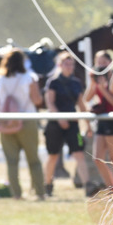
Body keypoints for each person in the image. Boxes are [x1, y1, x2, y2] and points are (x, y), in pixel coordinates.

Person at [0, 49, 45, 200]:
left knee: (11, 161)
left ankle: (16, 194)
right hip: (27, 120)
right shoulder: (29, 78)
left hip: (6, 123)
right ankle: (40, 192)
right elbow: (37, 100)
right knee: (33, 159)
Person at [43, 51, 92, 196]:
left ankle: (87, 185)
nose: (69, 67)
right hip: (55, 124)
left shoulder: (76, 83)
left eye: (71, 64)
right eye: (66, 63)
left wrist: (88, 125)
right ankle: (48, 184)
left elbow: (81, 105)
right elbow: (50, 103)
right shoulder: (53, 82)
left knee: (79, 154)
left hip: (72, 124)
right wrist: (60, 118)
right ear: (60, 65)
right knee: (53, 155)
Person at [84, 49, 113, 189]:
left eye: (103, 62)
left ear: (109, 63)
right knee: (97, 158)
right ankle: (112, 188)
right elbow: (87, 98)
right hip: (101, 121)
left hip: (112, 120)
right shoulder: (96, 78)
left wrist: (103, 88)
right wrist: (93, 83)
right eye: (98, 62)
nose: (100, 65)